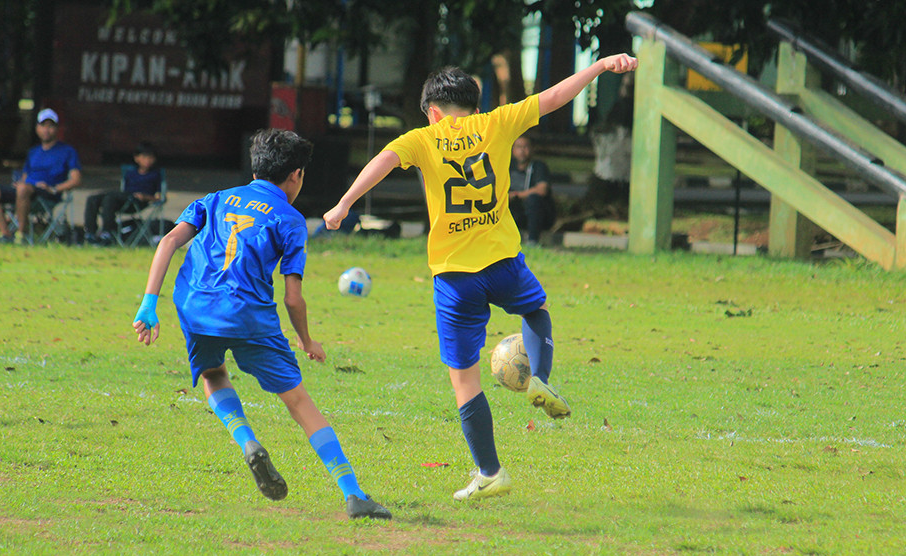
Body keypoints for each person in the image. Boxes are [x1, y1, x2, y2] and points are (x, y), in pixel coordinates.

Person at [323, 54, 638, 502]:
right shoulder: (496, 123)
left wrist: (344, 203)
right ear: (474, 105)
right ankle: (541, 375)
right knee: (536, 309)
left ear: (433, 111)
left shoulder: (423, 137)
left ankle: (490, 472)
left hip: (454, 277)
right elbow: (554, 97)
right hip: (504, 262)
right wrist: (600, 66)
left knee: (463, 378)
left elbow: (385, 160)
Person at [131, 128, 391, 520]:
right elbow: (292, 297)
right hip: (248, 315)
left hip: (195, 305)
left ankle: (248, 442)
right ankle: (353, 494)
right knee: (300, 403)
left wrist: (149, 304)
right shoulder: (290, 219)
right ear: (295, 176)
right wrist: (306, 340)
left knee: (214, 375)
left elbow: (168, 242)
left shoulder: (216, 199)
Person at [0, 108, 82, 244]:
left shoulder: (68, 151)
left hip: (46, 192)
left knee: (23, 189)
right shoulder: (33, 152)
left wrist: (55, 189)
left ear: (57, 129)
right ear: (37, 128)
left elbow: (76, 180)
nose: (46, 130)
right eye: (43, 126)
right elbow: (25, 176)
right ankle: (5, 233)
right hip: (24, 189)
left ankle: (21, 235)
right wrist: (19, 184)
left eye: (51, 126)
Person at [83, 141, 163, 246]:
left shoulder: (155, 175)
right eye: (144, 157)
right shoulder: (131, 173)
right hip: (123, 198)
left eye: (150, 158)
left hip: (137, 201)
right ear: (137, 158)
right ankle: (90, 232)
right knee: (93, 198)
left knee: (109, 198)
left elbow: (160, 197)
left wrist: (145, 197)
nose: (147, 160)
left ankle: (108, 232)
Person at [508, 134, 554, 245]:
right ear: (513, 149)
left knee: (534, 199)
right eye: (519, 147)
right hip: (514, 210)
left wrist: (518, 195)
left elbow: (542, 189)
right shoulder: (508, 166)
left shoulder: (538, 166)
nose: (522, 151)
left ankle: (533, 240)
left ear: (532, 149)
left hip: (537, 214)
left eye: (526, 147)